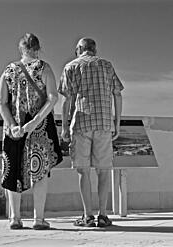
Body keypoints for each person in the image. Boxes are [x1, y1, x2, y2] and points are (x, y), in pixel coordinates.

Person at [0, 33, 62, 230]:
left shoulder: (9, 70)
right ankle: (38, 219)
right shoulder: (44, 68)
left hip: (13, 127)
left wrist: (12, 124)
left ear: (21, 49)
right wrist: (35, 122)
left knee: (12, 169)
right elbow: (52, 97)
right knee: (39, 171)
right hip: (39, 127)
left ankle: (15, 218)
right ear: (38, 48)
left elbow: (1, 101)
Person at [58, 37, 124, 227]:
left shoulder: (70, 67)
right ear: (94, 50)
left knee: (83, 170)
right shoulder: (107, 65)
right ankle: (103, 216)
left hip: (81, 124)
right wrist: (116, 123)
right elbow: (117, 94)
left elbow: (66, 99)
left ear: (79, 49)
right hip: (104, 123)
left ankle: (87, 216)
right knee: (103, 171)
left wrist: (64, 127)